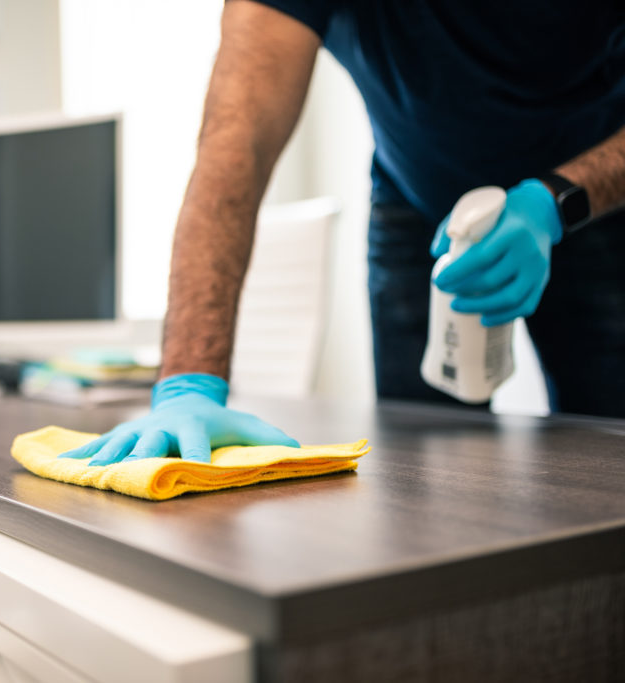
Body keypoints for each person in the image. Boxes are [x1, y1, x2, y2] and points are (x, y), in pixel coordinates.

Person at [61, 0, 625, 466]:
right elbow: (237, 144)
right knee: (426, 470)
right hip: (416, 195)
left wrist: (557, 202)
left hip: (593, 195)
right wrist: (188, 382)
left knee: (607, 451)